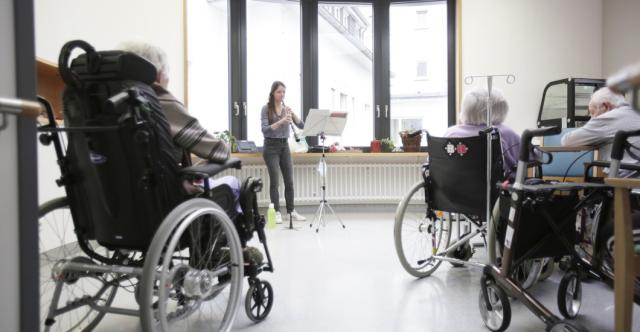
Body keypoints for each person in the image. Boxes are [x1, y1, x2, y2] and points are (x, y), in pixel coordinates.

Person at [118, 41, 241, 209]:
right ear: (157, 74)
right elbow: (219, 151)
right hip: (167, 198)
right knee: (233, 183)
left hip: (122, 203)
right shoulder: (160, 102)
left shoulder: (111, 104)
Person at [561, 87, 640, 177]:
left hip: (624, 181)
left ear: (606, 106)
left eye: (592, 112)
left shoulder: (608, 118)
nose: (592, 117)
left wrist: (594, 120)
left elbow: (566, 141)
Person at [444, 88, 521, 178]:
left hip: (453, 189)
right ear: (500, 109)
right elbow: (531, 157)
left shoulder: (450, 133)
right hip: (496, 189)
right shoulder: (504, 132)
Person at [261, 81, 306, 224]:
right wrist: (281, 121)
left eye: (284, 92)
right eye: (279, 92)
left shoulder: (286, 109)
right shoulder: (266, 109)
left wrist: (293, 115)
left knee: (289, 181)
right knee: (275, 182)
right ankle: (277, 212)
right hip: (270, 147)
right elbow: (265, 129)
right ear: (273, 93)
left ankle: (291, 211)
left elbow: (302, 125)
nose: (282, 95)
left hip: (284, 146)